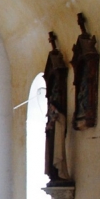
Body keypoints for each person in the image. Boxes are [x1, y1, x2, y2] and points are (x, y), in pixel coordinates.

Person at [44, 31, 71, 182]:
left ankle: (60, 173)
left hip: (58, 137)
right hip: (53, 137)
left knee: (58, 153)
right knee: (52, 152)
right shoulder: (52, 116)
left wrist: (54, 121)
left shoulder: (60, 115)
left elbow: (61, 123)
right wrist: (49, 126)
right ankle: (55, 174)